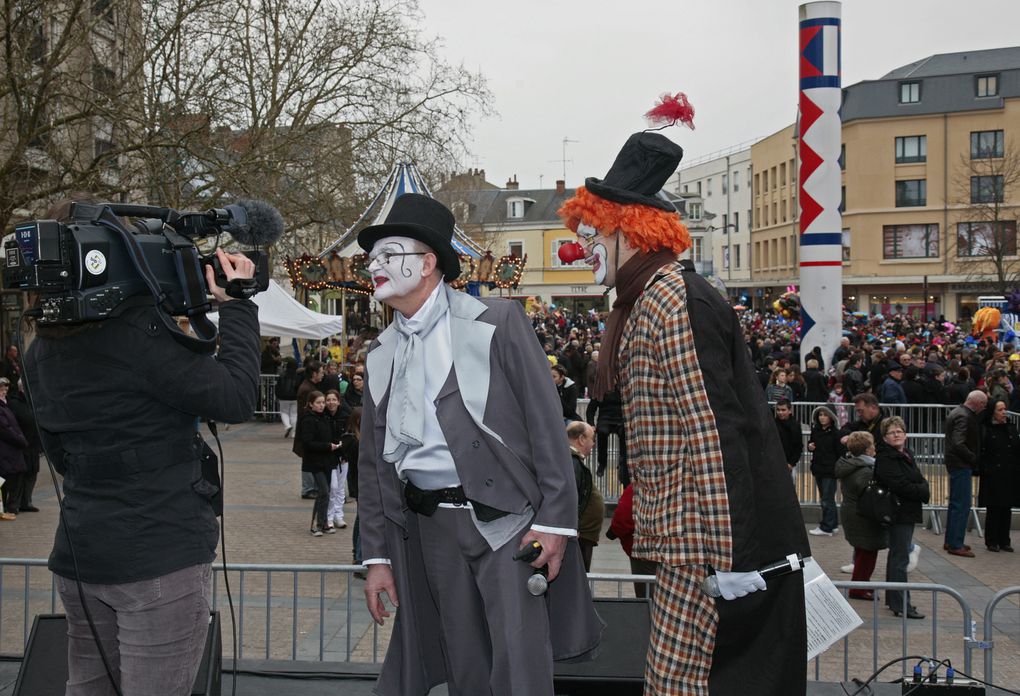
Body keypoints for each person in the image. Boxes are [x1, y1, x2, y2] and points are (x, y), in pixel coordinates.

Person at [558, 129, 809, 694]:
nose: (583, 246)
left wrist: (735, 556)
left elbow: (716, 433)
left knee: (682, 685)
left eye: (594, 232)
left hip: (702, 547)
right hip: (680, 541)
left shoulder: (673, 303)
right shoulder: (645, 300)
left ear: (632, 232)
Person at [356, 193, 601, 696]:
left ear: (427, 264)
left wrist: (554, 524)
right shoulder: (380, 353)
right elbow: (374, 465)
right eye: (372, 257)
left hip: (507, 523)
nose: (374, 265)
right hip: (430, 528)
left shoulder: (497, 322)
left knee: (519, 666)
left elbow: (545, 425)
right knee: (465, 663)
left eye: (388, 254)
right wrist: (377, 556)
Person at [24, 239, 259, 696]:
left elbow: (58, 455)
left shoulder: (40, 350)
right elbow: (235, 397)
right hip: (158, 556)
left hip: (81, 555)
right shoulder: (140, 336)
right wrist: (238, 307)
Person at [874, 416, 930, 619]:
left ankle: (894, 599)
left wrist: (921, 487)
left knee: (897, 555)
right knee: (900, 558)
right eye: (892, 432)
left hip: (907, 510)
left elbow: (916, 478)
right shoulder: (886, 458)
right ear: (885, 437)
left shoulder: (906, 454)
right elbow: (900, 485)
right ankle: (901, 604)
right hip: (897, 512)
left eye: (899, 431)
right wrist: (922, 490)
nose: (896, 435)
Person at [834, 432, 888, 600]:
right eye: (872, 445)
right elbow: (871, 493)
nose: (874, 448)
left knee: (862, 551)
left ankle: (863, 584)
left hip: (853, 512)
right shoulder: (865, 471)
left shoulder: (850, 464)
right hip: (862, 515)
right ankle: (858, 587)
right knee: (867, 553)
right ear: (866, 449)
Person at [943, 390, 987, 557]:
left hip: (955, 463)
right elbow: (958, 442)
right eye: (983, 404)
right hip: (961, 464)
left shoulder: (957, 412)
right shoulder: (965, 416)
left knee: (956, 504)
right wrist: (972, 457)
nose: (983, 408)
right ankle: (955, 543)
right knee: (961, 504)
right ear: (977, 402)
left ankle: (951, 540)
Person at [978, 398, 1019, 552]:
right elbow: (982, 451)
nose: (1004, 412)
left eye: (1004, 409)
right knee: (994, 508)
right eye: (1000, 410)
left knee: (1006, 508)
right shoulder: (986, 429)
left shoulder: (1011, 427)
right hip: (993, 474)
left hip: (1009, 473)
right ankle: (992, 540)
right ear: (992, 412)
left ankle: (1004, 540)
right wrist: (985, 468)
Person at [608, 482, 658, 599]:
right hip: (676, 551)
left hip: (644, 551)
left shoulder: (642, 483)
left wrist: (614, 532)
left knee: (646, 597)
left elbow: (624, 516)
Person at [566, 421, 605, 572]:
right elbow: (571, 497)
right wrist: (573, 526)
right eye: (592, 438)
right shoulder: (573, 462)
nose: (593, 443)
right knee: (579, 576)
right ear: (581, 439)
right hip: (578, 535)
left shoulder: (573, 461)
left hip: (582, 534)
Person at [300, 390, 338, 536]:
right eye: (318, 403)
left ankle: (323, 523)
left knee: (325, 493)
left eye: (323, 402)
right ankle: (316, 525)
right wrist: (327, 446)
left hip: (326, 461)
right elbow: (308, 443)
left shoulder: (325, 418)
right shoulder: (308, 419)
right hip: (315, 462)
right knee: (324, 491)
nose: (322, 405)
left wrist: (335, 444)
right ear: (311, 404)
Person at [807, 405, 844, 536]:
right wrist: (810, 446)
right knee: (826, 498)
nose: (822, 418)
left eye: (825, 415)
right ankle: (832, 524)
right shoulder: (816, 430)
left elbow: (840, 452)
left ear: (831, 417)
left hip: (829, 470)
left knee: (827, 499)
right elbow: (811, 444)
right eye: (820, 415)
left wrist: (837, 469)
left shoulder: (835, 433)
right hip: (818, 468)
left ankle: (826, 526)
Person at [584, 387, 628, 488]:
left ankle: (622, 463)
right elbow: (590, 409)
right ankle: (602, 463)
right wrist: (591, 424)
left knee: (625, 433)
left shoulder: (624, 388)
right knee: (602, 432)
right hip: (605, 419)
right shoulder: (600, 390)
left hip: (621, 419)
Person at [293, 359, 325, 498]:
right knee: (308, 458)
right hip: (307, 429)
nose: (323, 375)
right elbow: (303, 412)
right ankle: (308, 488)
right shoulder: (306, 389)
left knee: (312, 458)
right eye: (321, 372)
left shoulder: (311, 386)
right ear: (314, 373)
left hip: (312, 428)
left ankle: (312, 487)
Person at [0, 377, 28, 517]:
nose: (4, 391)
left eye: (5, 388)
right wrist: (21, 440)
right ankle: (7, 507)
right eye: (1, 388)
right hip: (5, 449)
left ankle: (10, 507)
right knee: (6, 479)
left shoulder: (6, 406)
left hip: (11, 449)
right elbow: (5, 429)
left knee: (14, 477)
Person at [340, 407, 363, 566]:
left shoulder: (354, 440)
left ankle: (357, 554)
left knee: (361, 519)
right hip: (362, 485)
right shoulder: (355, 442)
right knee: (365, 522)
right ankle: (360, 558)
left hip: (360, 485)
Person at [324, 389, 349, 530]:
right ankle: (329, 516)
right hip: (328, 457)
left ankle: (338, 515)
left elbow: (349, 438)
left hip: (343, 457)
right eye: (328, 400)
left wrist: (344, 451)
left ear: (339, 401)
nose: (331, 403)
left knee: (340, 488)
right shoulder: (323, 417)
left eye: (334, 400)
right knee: (332, 487)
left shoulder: (345, 416)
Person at [773, 398, 804, 475]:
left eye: (783, 410)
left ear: (789, 410)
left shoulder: (795, 425)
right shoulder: (773, 424)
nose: (780, 412)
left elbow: (798, 446)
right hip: (774, 463)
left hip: (789, 464)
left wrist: (791, 463)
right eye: (778, 410)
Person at [275, 357, 301, 438]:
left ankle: (287, 426)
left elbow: (278, 387)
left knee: (284, 412)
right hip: (295, 398)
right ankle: (294, 433)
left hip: (283, 397)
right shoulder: (297, 376)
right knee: (294, 414)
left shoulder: (282, 375)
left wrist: (278, 395)